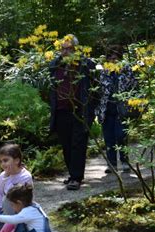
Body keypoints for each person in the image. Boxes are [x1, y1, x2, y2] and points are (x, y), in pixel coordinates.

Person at [49, 34, 97, 190]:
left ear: (76, 49)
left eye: (69, 48)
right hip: (61, 110)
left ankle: (76, 177)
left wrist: (92, 108)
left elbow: (96, 89)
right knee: (66, 144)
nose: (65, 52)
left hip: (80, 110)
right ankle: (72, 175)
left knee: (78, 143)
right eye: (63, 49)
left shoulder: (86, 65)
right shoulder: (55, 65)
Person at [96, 45, 137, 173]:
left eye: (116, 58)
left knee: (121, 136)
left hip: (122, 109)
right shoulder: (103, 72)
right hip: (106, 109)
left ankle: (124, 161)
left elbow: (132, 86)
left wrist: (120, 73)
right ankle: (111, 164)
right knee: (109, 138)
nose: (113, 61)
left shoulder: (127, 71)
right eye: (111, 58)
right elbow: (98, 90)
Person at [0, 143, 33, 232]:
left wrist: (8, 178)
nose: (3, 164)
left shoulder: (25, 177)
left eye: (6, 160)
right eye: (1, 161)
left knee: (8, 198)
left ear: (16, 160)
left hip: (20, 212)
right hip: (5, 212)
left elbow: (22, 199)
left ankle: (15, 230)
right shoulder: (2, 176)